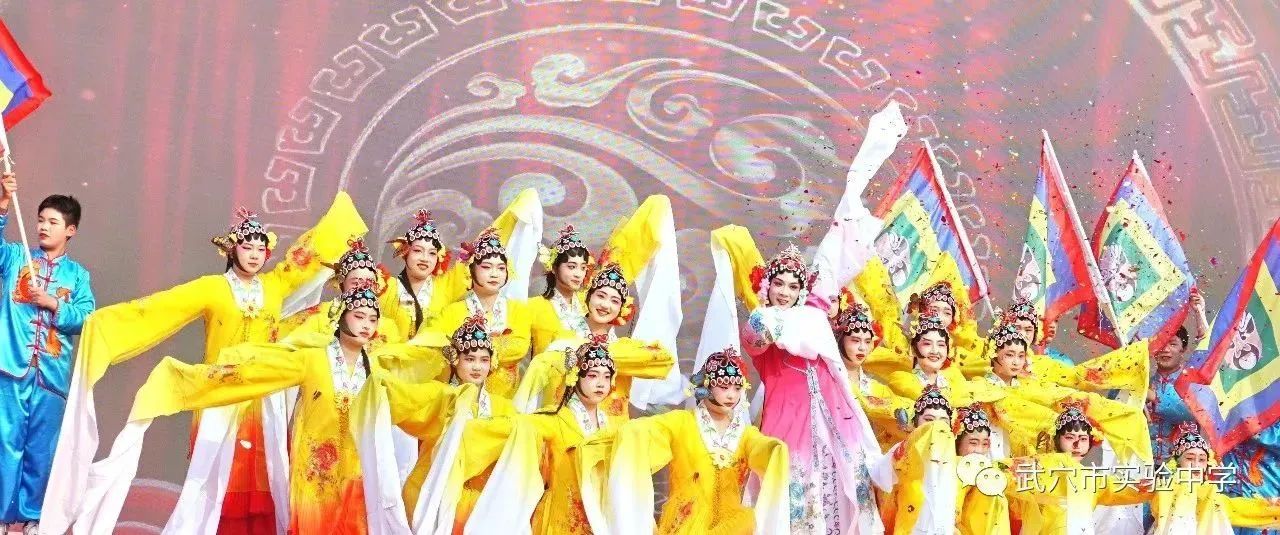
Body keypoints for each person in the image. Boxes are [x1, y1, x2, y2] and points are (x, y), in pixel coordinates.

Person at [43, 193, 365, 535]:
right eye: (247, 247)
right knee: (216, 479)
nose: (254, 254)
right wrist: (103, 323)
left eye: (261, 249)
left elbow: (307, 257)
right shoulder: (212, 288)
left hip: (262, 397)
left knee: (267, 474)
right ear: (231, 250)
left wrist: (342, 219)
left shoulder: (275, 285)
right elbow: (159, 307)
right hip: (218, 393)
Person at [603, 346, 790, 534]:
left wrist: (774, 449)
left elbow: (760, 448)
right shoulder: (682, 422)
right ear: (705, 386)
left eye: (737, 388)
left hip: (731, 526)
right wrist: (631, 431)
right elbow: (648, 432)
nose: (732, 395)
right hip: (687, 523)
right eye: (724, 387)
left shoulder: (745, 433)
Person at [0, 172, 95, 535]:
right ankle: (3, 517)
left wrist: (53, 303)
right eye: (40, 220)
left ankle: (32, 517)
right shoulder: (16, 257)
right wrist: (3, 204)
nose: (42, 227)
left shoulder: (78, 276)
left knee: (41, 450)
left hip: (50, 375)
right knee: (5, 444)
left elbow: (87, 318)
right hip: (11, 368)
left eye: (52, 222)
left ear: (70, 230)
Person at [463, 335, 633, 534]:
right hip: (560, 516)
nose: (601, 383)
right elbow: (510, 428)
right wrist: (462, 429)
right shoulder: (553, 419)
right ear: (575, 376)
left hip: (601, 516)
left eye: (606, 376)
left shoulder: (614, 425)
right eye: (593, 375)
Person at [527, 225, 592, 355]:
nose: (578, 274)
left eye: (583, 268)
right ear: (554, 267)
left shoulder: (589, 305)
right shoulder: (533, 306)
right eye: (571, 267)